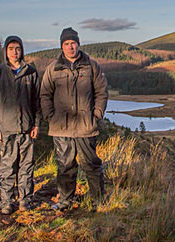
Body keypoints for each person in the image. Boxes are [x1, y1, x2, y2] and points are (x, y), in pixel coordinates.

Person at [40, 27, 108, 211]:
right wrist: (50, 116)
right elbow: (45, 94)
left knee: (91, 165)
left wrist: (97, 114)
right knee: (65, 166)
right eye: (66, 44)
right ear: (61, 46)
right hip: (61, 127)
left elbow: (101, 92)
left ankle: (98, 201)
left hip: (86, 125)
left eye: (73, 43)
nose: (70, 47)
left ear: (78, 44)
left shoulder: (91, 66)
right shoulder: (52, 68)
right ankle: (66, 201)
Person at [0, 36, 41, 215]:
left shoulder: (31, 72)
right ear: (6, 51)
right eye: (11, 48)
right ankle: (7, 201)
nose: (14, 52)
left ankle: (25, 200)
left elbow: (37, 102)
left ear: (22, 50)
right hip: (6, 129)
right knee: (7, 167)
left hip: (26, 128)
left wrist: (36, 124)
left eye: (17, 48)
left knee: (26, 167)